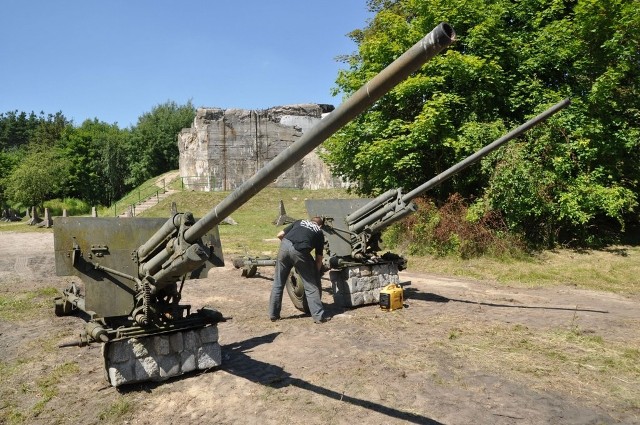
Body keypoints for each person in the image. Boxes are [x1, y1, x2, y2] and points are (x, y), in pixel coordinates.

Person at [268, 216, 330, 324]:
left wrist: (287, 249)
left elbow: (280, 235)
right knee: (311, 285)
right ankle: (318, 316)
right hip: (300, 251)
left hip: (285, 245)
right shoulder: (319, 232)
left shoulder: (300, 221)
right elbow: (319, 259)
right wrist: (316, 273)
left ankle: (274, 315)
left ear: (311, 221)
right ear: (320, 226)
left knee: (278, 283)